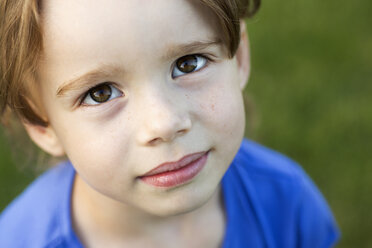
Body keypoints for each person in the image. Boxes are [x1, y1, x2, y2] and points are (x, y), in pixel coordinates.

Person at [0, 0, 340, 247]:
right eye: (101, 93)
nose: (164, 123)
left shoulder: (285, 200)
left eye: (189, 63)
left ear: (239, 58)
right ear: (41, 125)